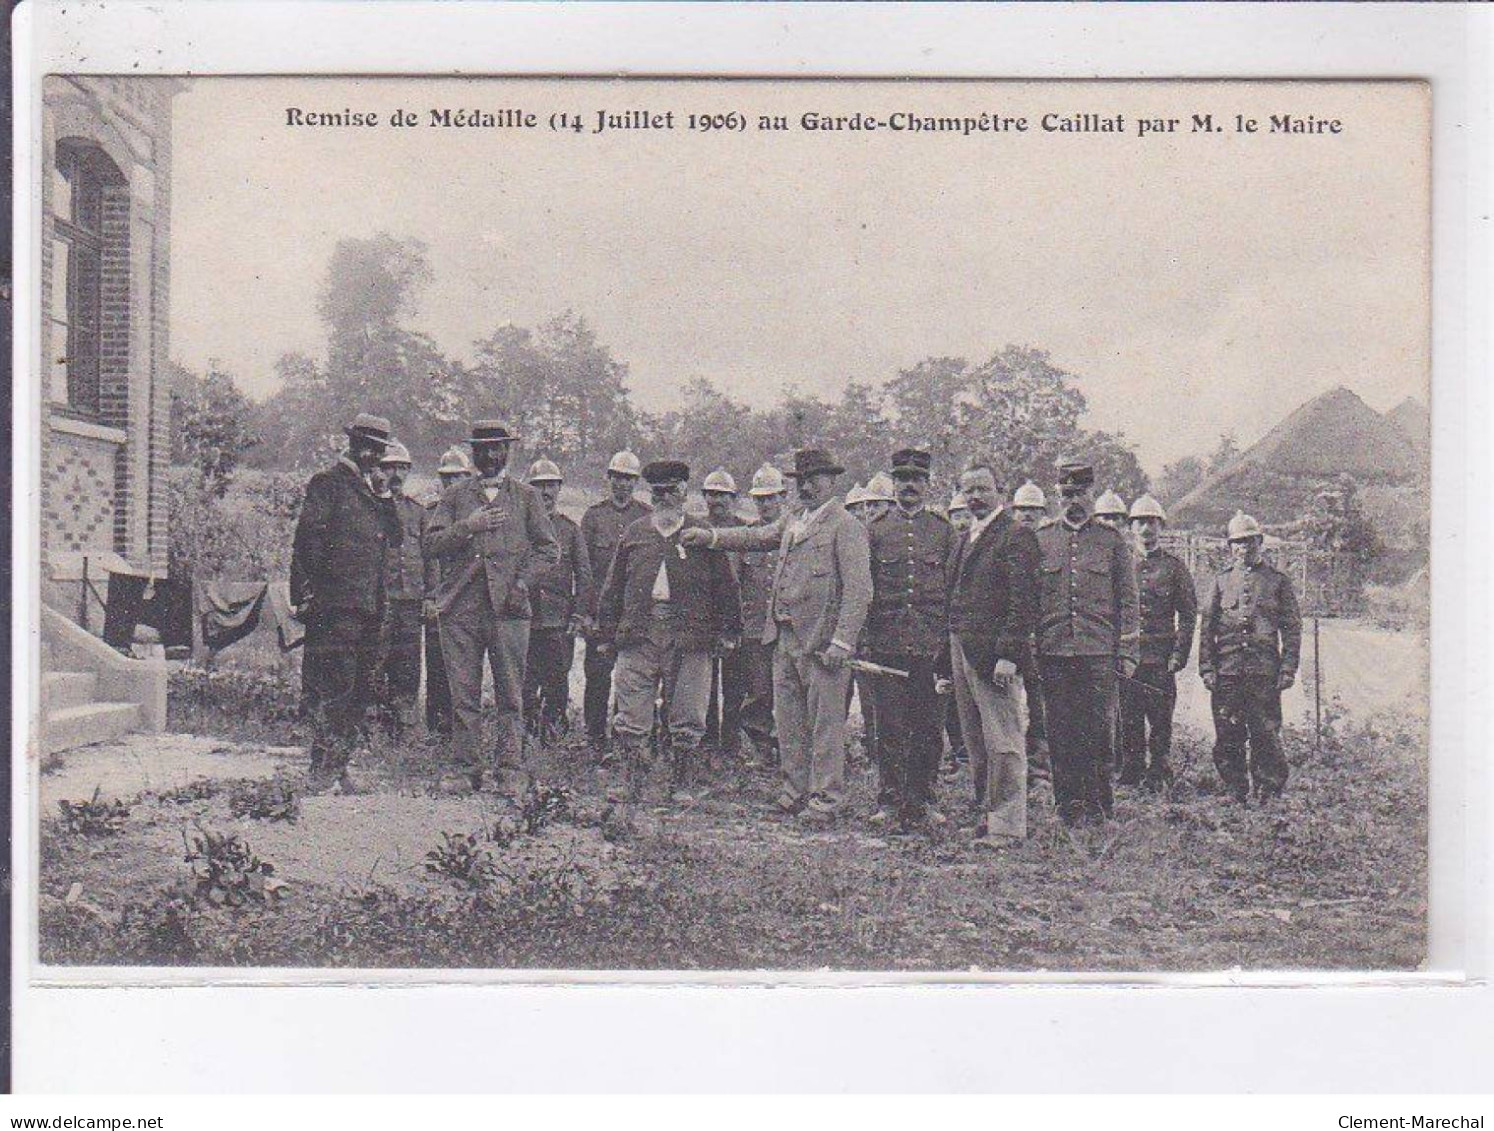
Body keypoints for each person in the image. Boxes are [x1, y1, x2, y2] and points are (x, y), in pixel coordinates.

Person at [683, 448, 872, 823]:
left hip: (820, 642)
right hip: (783, 637)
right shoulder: (794, 520)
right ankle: (794, 791)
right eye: (801, 480)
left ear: (831, 481)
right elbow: (756, 537)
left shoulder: (845, 525)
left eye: (814, 478)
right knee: (789, 720)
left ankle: (826, 799)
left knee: (824, 723)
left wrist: (842, 641)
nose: (807, 486)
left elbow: (858, 590)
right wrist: (711, 538)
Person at [425, 420, 560, 795]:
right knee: (463, 693)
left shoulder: (527, 497)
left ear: (507, 452)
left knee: (511, 693)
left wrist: (522, 583)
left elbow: (549, 549)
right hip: (461, 610)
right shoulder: (454, 498)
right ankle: (466, 767)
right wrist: (468, 526)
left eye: (497, 448)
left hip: (510, 610)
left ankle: (510, 767)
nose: (489, 456)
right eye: (482, 449)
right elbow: (432, 545)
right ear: (473, 453)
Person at [595, 459, 741, 802]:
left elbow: (727, 587)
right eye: (658, 492)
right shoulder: (634, 533)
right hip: (640, 632)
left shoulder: (701, 534)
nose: (664, 498)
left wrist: (728, 632)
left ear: (683, 493)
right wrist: (606, 635)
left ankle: (683, 782)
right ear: (651, 494)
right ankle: (631, 781)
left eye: (671, 491)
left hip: (690, 634)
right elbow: (613, 586)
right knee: (631, 711)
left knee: (689, 711)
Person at [289, 413, 401, 793]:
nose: (374, 456)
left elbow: (396, 537)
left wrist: (385, 496)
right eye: (369, 447)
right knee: (334, 688)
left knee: (358, 691)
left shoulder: (374, 492)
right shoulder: (328, 484)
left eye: (380, 450)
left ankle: (339, 766)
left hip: (370, 607)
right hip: (336, 608)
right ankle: (321, 768)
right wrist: (312, 595)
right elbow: (308, 541)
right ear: (356, 446)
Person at [1035, 458, 1140, 826]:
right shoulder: (1043, 539)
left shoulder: (1111, 541)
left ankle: (1099, 809)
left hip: (1098, 652)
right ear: (1057, 496)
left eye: (1080, 492)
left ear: (1092, 494)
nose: (1073, 500)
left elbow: (1128, 600)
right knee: (1060, 732)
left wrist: (1126, 650)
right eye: (1066, 494)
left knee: (1099, 731)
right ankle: (1067, 807)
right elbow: (1033, 600)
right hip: (1055, 651)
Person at [947, 461, 1042, 847]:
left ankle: (1007, 823)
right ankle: (988, 815)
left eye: (983, 488)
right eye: (968, 489)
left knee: (1003, 739)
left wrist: (1009, 654)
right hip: (962, 648)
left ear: (1000, 490)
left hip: (993, 655)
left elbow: (1024, 603)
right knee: (976, 740)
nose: (975, 496)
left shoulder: (1016, 536)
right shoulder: (966, 538)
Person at [863, 447, 956, 832]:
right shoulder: (876, 529)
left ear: (927, 484)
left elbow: (953, 591)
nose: (909, 486)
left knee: (929, 726)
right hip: (887, 643)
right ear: (894, 483)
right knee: (889, 725)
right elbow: (865, 590)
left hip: (930, 646)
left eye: (916, 480)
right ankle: (890, 799)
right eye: (902, 479)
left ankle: (924, 799)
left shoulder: (944, 531)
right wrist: (865, 640)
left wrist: (947, 646)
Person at [1198, 512, 1302, 804]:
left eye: (1249, 542)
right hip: (1228, 672)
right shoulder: (1220, 582)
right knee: (1228, 733)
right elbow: (1207, 628)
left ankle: (1268, 791)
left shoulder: (1277, 582)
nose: (1244, 548)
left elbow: (1292, 628)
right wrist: (1207, 667)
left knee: (1265, 734)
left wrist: (1288, 668)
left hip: (1263, 673)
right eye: (1237, 543)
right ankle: (1235, 789)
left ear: (1260, 542)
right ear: (1230, 547)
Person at [1120, 493, 1198, 790]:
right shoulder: (1122, 564)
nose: (1145, 529)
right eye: (1139, 523)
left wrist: (1179, 655)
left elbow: (1189, 615)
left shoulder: (1175, 568)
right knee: (1129, 719)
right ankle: (1131, 772)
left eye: (1151, 522)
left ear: (1160, 527)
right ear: (1131, 527)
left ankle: (1159, 772)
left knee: (1161, 722)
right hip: (1128, 658)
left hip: (1161, 659)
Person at [579, 450, 651, 754]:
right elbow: (583, 569)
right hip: (601, 614)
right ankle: (595, 740)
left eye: (629, 479)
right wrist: (585, 612)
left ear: (636, 482)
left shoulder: (645, 516)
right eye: (618, 477)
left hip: (632, 615)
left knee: (631, 680)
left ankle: (625, 741)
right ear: (609, 479)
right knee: (597, 677)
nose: (622, 484)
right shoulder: (594, 517)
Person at [522, 458, 594, 745]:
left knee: (557, 682)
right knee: (524, 683)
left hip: (557, 621)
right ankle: (525, 737)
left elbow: (584, 575)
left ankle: (553, 738)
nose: (545, 492)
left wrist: (578, 615)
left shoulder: (569, 529)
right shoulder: (519, 527)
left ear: (560, 488)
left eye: (551, 485)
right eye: (538, 486)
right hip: (524, 617)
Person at [374, 440, 427, 738]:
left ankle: (405, 728)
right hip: (381, 600)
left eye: (402, 468)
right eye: (390, 466)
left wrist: (429, 595)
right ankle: (372, 724)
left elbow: (429, 556)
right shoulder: (373, 507)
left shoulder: (417, 512)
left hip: (411, 600)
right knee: (375, 659)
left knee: (408, 663)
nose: (396, 473)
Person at [738, 463, 789, 767]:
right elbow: (738, 582)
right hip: (756, 625)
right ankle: (761, 747)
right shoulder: (748, 536)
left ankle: (788, 749)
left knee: (788, 690)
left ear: (783, 497)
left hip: (786, 627)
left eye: (771, 498)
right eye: (760, 499)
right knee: (758, 690)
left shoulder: (795, 532)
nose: (766, 504)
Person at [423, 445, 474, 736]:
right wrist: (430, 596)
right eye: (446, 478)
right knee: (437, 668)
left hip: (467, 603)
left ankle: (462, 733)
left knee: (465, 673)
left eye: (457, 478)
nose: (451, 484)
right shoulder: (432, 514)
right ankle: (437, 731)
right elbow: (426, 558)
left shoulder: (476, 516)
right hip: (439, 603)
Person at [701, 468, 747, 762]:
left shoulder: (745, 532)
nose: (717, 500)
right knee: (704, 684)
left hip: (736, 620)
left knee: (735, 687)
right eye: (712, 494)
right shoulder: (697, 529)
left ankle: (730, 745)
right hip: (704, 619)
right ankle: (706, 741)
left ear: (734, 498)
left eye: (723, 495)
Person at [1010, 480, 1053, 795]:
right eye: (1022, 510)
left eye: (1033, 511)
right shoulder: (1006, 543)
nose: (1027, 516)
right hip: (1011, 641)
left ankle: (1040, 770)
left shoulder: (1050, 545)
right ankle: (1010, 772)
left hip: (1042, 639)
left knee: (1041, 708)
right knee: (1007, 708)